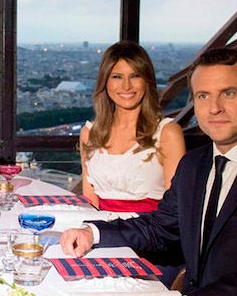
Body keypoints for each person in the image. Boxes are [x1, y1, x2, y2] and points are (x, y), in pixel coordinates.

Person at [60, 48, 237, 296]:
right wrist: (94, 232)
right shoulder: (196, 165)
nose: (214, 108)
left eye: (228, 93)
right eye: (203, 96)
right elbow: (162, 227)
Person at [80, 41, 186, 212]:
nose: (126, 86)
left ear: (147, 81)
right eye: (117, 77)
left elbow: (174, 208)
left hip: (149, 234)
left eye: (135, 76)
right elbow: (89, 200)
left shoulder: (167, 133)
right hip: (99, 232)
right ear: (105, 82)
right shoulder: (90, 134)